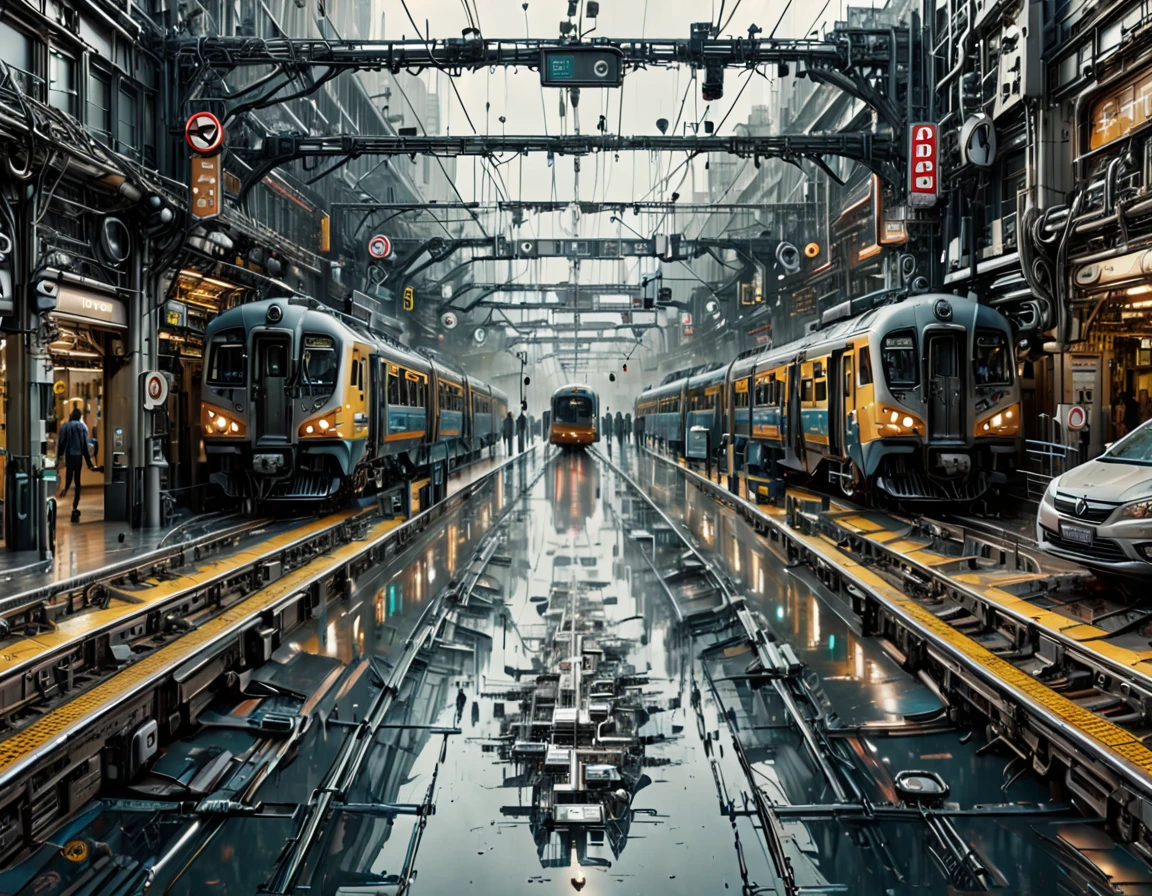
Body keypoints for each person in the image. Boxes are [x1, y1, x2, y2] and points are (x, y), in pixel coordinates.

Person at [57, 407, 95, 521]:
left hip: (69, 455)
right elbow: (85, 445)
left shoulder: (65, 426)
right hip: (78, 456)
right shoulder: (83, 427)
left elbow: (61, 443)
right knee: (77, 480)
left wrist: (59, 456)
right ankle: (75, 504)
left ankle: (64, 493)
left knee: (69, 476)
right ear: (79, 417)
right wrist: (89, 462)